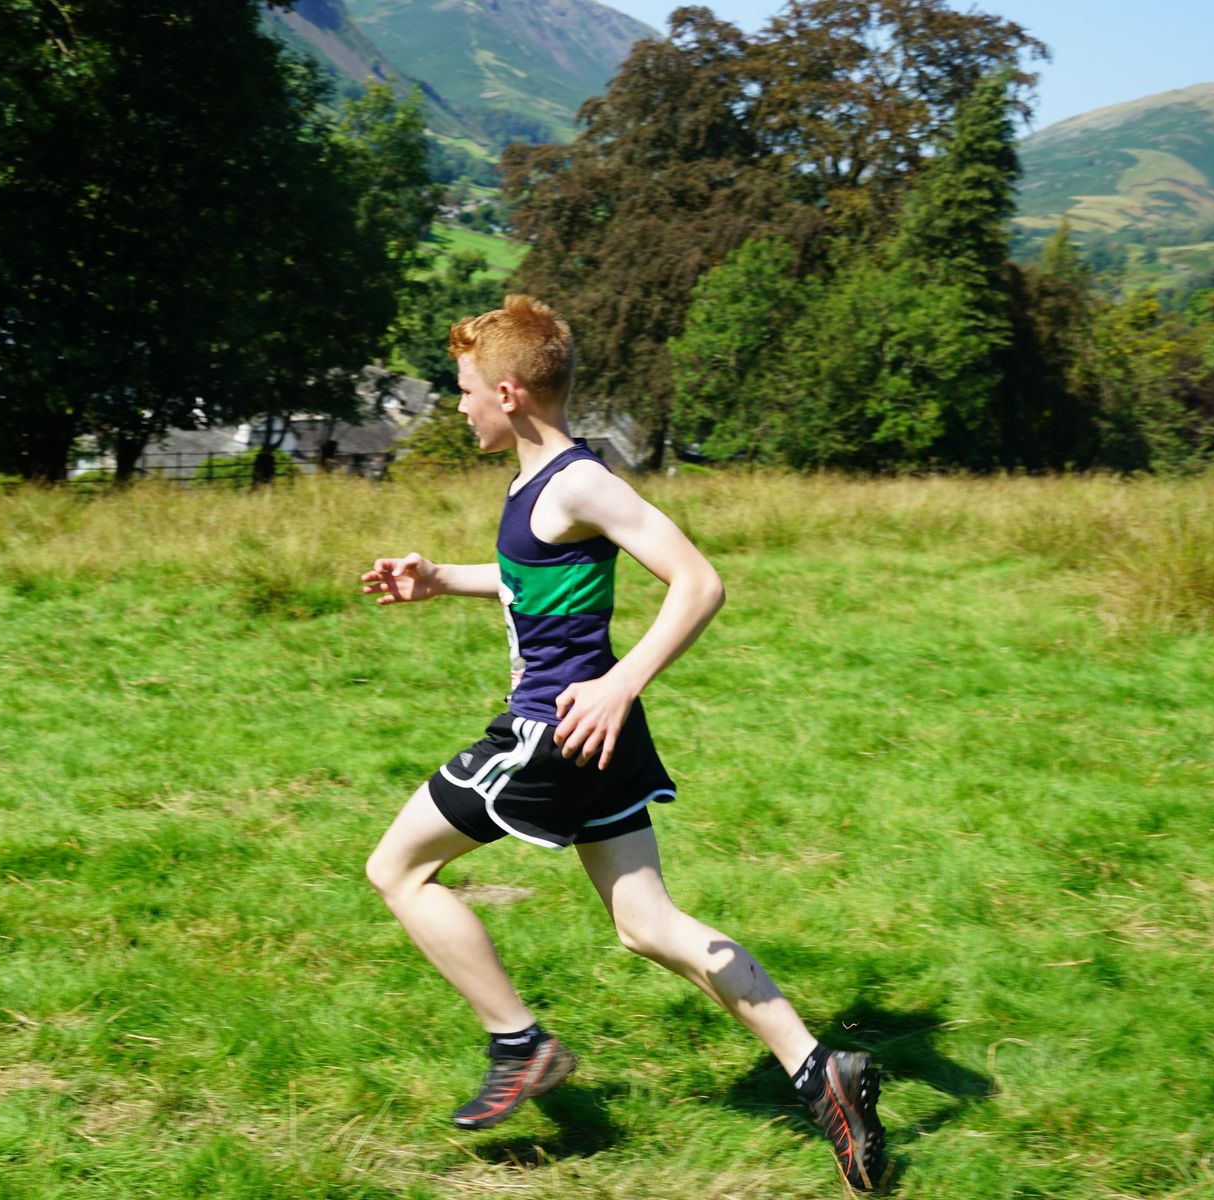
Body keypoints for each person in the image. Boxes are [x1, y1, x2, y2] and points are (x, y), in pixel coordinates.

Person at [358, 295, 886, 1191]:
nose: (458, 406)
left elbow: (698, 581)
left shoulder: (577, 481)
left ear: (511, 392)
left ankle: (518, 1043)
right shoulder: (540, 482)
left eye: (464, 391)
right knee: (647, 925)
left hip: (554, 729)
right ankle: (817, 1071)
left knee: (396, 871)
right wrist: (439, 579)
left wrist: (619, 680)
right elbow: (532, 577)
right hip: (597, 734)